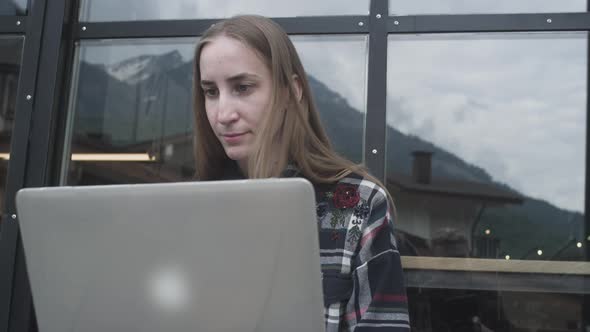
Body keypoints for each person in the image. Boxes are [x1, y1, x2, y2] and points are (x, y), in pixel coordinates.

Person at [192, 15, 410, 331]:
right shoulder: (190, 209)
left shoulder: (358, 205)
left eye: (243, 87)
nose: (223, 114)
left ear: (290, 92)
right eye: (210, 92)